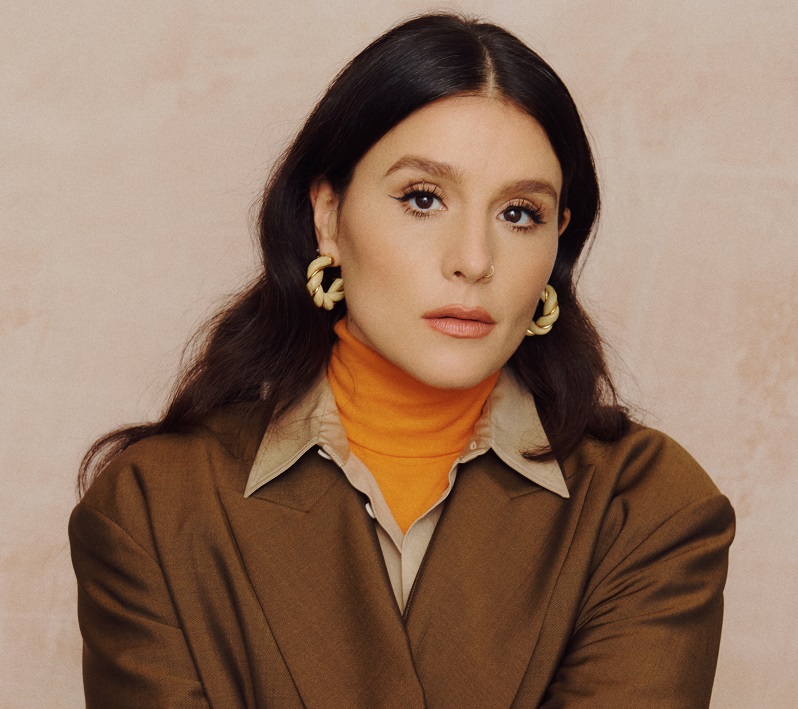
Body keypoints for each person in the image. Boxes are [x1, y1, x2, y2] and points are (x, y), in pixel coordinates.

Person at [69, 12, 734, 708]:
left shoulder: (647, 506)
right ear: (328, 215)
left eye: (519, 214)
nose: (473, 260)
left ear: (557, 244)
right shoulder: (154, 507)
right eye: (423, 199)